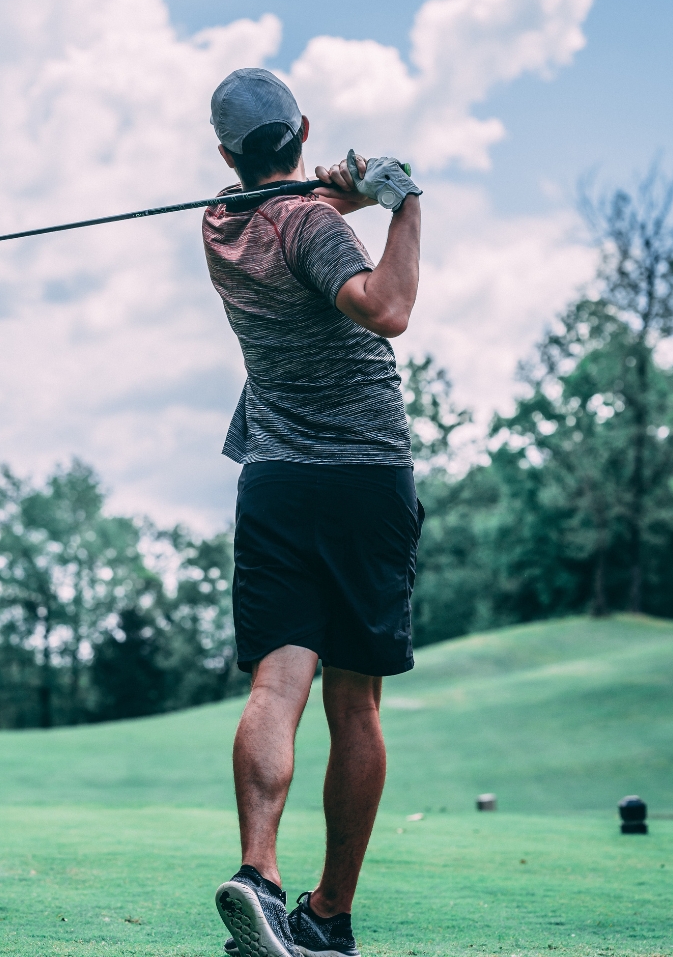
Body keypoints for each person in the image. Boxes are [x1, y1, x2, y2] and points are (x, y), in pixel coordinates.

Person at [203, 68, 424, 957]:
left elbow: (298, 209)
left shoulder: (220, 221)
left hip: (277, 479)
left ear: (225, 155)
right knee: (356, 704)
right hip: (365, 476)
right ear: (302, 127)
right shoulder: (310, 225)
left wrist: (348, 186)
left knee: (276, 684)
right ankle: (328, 916)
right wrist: (403, 205)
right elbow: (388, 309)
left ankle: (258, 873)